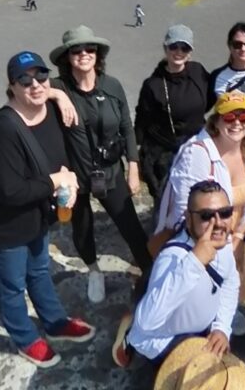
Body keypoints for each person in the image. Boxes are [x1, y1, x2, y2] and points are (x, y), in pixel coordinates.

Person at [0, 51, 94, 367]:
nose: (35, 85)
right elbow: (11, 192)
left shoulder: (49, 108)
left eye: (41, 77)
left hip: (37, 217)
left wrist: (59, 94)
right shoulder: (2, 130)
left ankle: (54, 322)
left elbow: (53, 102)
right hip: (5, 224)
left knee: (40, 271)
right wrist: (56, 181)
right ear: (12, 86)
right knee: (12, 285)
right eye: (25, 80)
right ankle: (25, 339)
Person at [50, 26, 150, 302]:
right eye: (76, 50)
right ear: (67, 57)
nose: (84, 54)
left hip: (110, 170)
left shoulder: (112, 86)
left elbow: (127, 127)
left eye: (89, 49)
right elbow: (31, 89)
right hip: (76, 177)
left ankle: (150, 272)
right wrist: (58, 96)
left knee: (130, 225)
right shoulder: (60, 87)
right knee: (82, 228)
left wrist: (133, 166)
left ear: (97, 54)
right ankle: (94, 271)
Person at [153, 91, 245, 334]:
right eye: (230, 117)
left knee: (228, 289)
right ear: (215, 120)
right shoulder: (198, 153)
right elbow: (187, 212)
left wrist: (236, 238)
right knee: (196, 300)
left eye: (244, 117)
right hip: (201, 238)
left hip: (235, 236)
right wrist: (216, 245)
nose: (237, 122)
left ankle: (221, 318)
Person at [113, 180, 244, 372]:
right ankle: (129, 338)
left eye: (224, 213)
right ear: (188, 219)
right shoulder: (173, 258)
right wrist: (195, 262)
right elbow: (147, 321)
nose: (218, 223)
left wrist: (221, 327)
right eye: (206, 216)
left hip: (200, 328)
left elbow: (230, 282)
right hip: (165, 336)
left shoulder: (222, 240)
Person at [135, 25, 210, 202]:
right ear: (165, 48)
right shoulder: (153, 85)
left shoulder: (198, 71)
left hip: (198, 150)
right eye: (173, 46)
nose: (179, 51)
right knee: (169, 206)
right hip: (167, 156)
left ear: (190, 51)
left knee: (200, 201)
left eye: (184, 47)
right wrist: (135, 158)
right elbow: (142, 120)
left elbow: (212, 97)